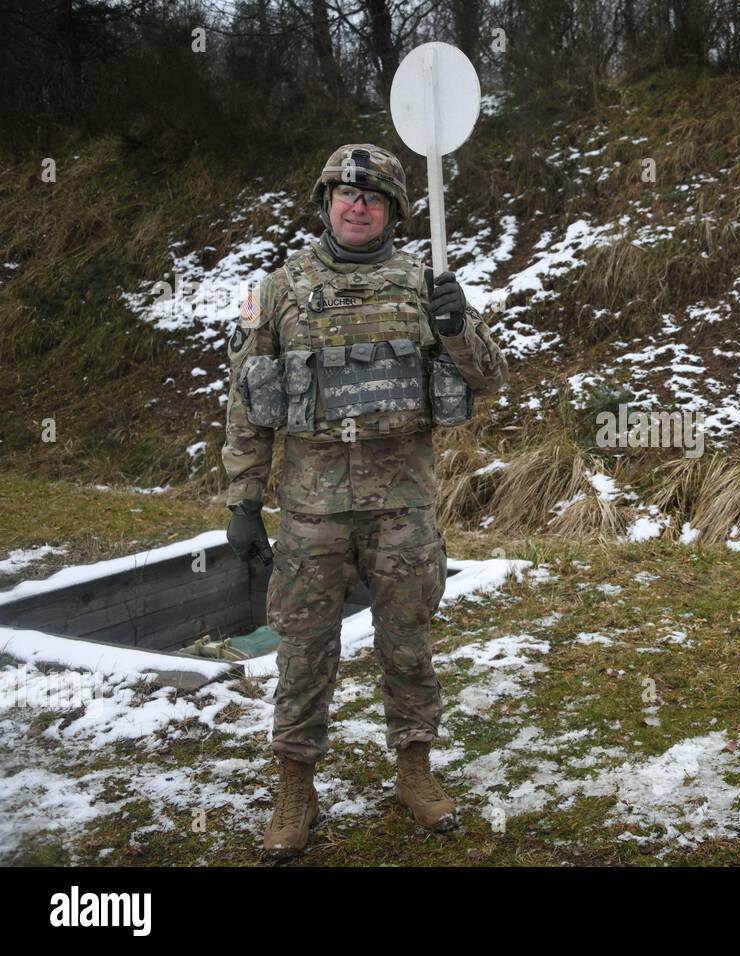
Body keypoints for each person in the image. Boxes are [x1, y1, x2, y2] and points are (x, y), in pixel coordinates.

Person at [221, 143, 508, 858]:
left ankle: (414, 772)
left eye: (372, 197)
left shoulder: (424, 285)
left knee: (407, 646)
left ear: (393, 212)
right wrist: (242, 500)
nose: (357, 205)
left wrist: (456, 325)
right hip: (312, 510)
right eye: (345, 195)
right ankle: (295, 788)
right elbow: (248, 403)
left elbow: (491, 377)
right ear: (325, 205)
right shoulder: (280, 290)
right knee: (303, 654)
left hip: (401, 508)